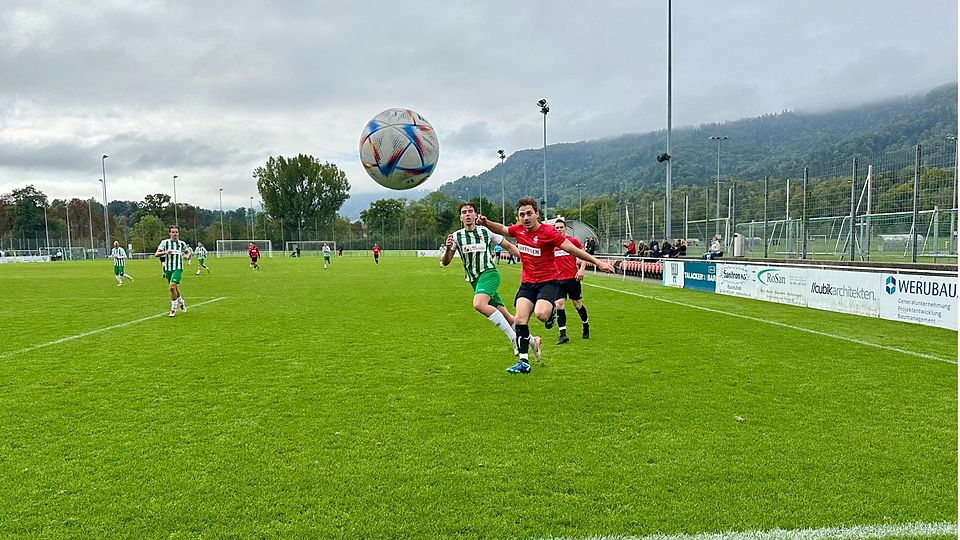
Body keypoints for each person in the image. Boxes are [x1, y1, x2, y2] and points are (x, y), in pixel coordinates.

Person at [479, 197, 614, 374]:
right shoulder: (518, 230)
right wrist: (486, 222)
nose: (525, 218)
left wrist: (598, 262)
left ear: (537, 214)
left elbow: (572, 249)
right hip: (527, 283)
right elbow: (502, 229)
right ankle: (524, 362)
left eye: (529, 213)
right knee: (520, 319)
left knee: (541, 315)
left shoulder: (548, 232)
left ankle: (551, 314)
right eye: (522, 215)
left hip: (548, 283)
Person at [441, 201, 541, 363]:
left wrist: (527, 261)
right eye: (464, 212)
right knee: (508, 316)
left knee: (479, 304)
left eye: (470, 211)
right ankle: (532, 341)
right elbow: (445, 262)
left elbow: (508, 246)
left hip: (489, 273)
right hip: (475, 281)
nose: (467, 214)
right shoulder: (457, 237)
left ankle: (513, 338)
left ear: (475, 215)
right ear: (460, 217)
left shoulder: (485, 232)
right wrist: (447, 249)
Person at [551, 217, 591, 344]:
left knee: (577, 305)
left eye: (561, 227)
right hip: (557, 280)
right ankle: (563, 335)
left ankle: (585, 324)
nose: (558, 230)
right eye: (556, 228)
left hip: (572, 278)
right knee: (559, 305)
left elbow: (583, 255)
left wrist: (581, 270)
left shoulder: (572, 241)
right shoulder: (551, 245)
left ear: (565, 229)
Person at [155, 225, 190, 317]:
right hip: (168, 269)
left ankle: (173, 309)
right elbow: (156, 254)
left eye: (176, 232)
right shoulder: (164, 243)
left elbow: (187, 252)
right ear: (170, 233)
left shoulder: (182, 244)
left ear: (179, 233)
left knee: (172, 287)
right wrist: (165, 252)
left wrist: (187, 256)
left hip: (178, 268)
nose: (175, 234)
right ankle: (181, 302)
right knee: (175, 288)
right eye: (173, 232)